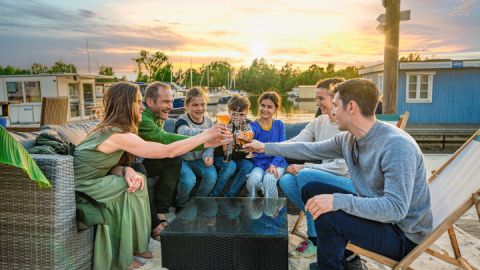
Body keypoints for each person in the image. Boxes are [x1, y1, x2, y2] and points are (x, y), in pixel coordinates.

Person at [244, 78, 432, 270]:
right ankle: (342, 260)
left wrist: (337, 201)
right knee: (312, 189)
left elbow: (395, 209)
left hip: (401, 235)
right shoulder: (349, 138)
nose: (331, 112)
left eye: (335, 105)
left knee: (328, 215)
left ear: (351, 107)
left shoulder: (396, 146)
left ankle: (330, 266)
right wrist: (265, 147)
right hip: (378, 219)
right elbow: (309, 149)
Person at [73, 82, 230, 270]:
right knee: (127, 190)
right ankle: (118, 259)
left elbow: (105, 165)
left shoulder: (116, 129)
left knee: (137, 181)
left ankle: (137, 248)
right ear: (124, 104)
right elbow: (168, 150)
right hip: (82, 188)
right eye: (137, 102)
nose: (142, 107)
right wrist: (206, 135)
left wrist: (126, 170)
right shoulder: (116, 134)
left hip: (95, 180)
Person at [279, 77, 351, 259]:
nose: (317, 103)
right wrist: (266, 147)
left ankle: (316, 239)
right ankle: (325, 225)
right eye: (316, 98)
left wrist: (305, 166)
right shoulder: (319, 122)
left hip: (347, 181)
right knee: (286, 180)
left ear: (336, 98)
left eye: (321, 98)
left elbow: (342, 167)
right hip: (321, 176)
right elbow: (296, 142)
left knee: (306, 176)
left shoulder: (348, 125)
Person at [138, 81, 198, 241]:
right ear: (150, 102)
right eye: (165, 101)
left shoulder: (157, 116)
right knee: (139, 171)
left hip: (145, 159)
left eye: (171, 101)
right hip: (134, 165)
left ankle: (161, 211)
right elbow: (163, 138)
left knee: (174, 159)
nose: (170, 106)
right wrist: (202, 139)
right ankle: (154, 223)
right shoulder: (143, 119)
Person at [174, 87, 217, 208]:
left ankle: (196, 202)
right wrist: (207, 132)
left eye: (203, 104)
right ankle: (181, 204)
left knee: (211, 177)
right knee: (189, 180)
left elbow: (212, 142)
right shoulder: (182, 120)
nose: (200, 108)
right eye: (195, 105)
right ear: (187, 106)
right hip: (183, 159)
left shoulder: (209, 120)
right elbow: (184, 132)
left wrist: (208, 154)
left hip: (200, 159)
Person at [210, 94, 254, 197]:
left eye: (241, 115)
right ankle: (214, 195)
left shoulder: (249, 126)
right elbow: (217, 148)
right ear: (228, 112)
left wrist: (246, 144)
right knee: (230, 165)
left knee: (248, 165)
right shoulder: (222, 123)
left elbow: (249, 150)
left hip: (238, 158)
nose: (237, 118)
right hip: (221, 157)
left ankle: (230, 195)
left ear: (246, 113)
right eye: (234, 114)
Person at [246, 91, 287, 198]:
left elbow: (282, 148)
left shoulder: (279, 125)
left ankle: (271, 212)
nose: (265, 109)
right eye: (263, 105)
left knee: (269, 179)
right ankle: (255, 211)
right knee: (252, 181)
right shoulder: (252, 126)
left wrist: (273, 164)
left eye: (269, 107)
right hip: (259, 164)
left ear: (275, 109)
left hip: (277, 163)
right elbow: (250, 148)